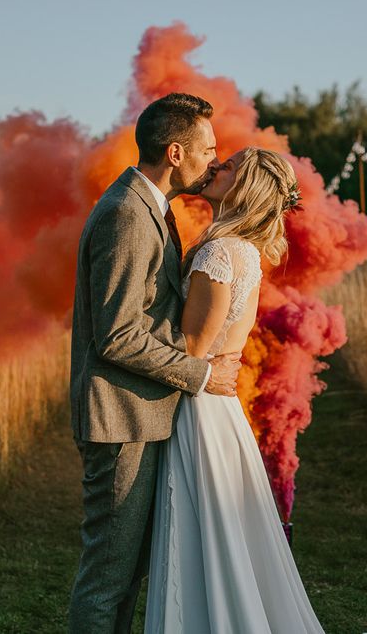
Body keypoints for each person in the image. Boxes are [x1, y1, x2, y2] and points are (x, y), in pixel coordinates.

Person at [68, 92, 243, 633]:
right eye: (207, 150)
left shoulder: (150, 208)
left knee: (126, 573)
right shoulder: (126, 215)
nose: (214, 161)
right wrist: (203, 375)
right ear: (174, 152)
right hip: (121, 419)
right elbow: (116, 336)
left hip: (139, 414)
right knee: (108, 577)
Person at [144, 147, 325, 633]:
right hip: (215, 409)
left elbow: (193, 349)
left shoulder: (221, 252)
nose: (217, 166)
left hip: (199, 410)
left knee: (198, 539)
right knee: (220, 541)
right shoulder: (240, 248)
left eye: (229, 167)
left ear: (245, 187)